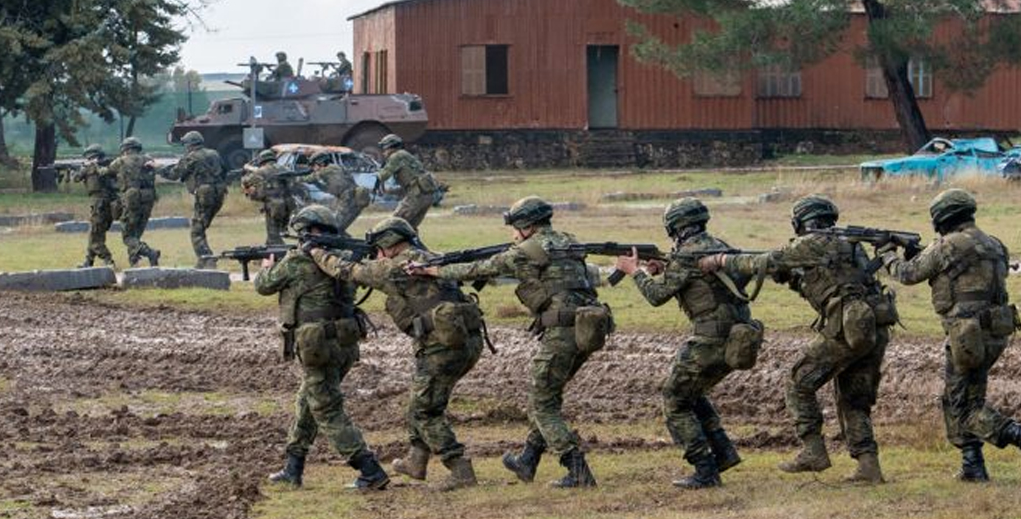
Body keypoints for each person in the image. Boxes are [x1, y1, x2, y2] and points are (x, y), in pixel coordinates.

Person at [409, 196, 610, 488]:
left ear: (527, 226)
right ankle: (528, 459)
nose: (513, 234)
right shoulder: (569, 242)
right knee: (547, 395)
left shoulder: (525, 252)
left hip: (561, 333)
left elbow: (478, 270)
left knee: (542, 405)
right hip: (587, 329)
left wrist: (433, 271)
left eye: (516, 227)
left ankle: (577, 470)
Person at [698, 195, 896, 484]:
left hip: (846, 327)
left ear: (800, 222)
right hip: (874, 328)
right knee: (854, 398)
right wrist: (792, 278)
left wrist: (719, 260)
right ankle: (868, 467)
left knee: (799, 382)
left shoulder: (811, 242)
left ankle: (813, 451)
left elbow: (762, 262)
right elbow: (827, 280)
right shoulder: (850, 245)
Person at [879, 188, 1021, 482]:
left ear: (942, 218)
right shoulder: (994, 244)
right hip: (996, 332)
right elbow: (967, 274)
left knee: (961, 408)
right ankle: (973, 466)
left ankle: (1019, 435)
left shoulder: (947, 245)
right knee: (968, 399)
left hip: (967, 336)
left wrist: (886, 254)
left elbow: (907, 274)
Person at [310, 216, 484, 491]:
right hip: (467, 341)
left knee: (424, 410)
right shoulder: (430, 257)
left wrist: (316, 252)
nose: (377, 254)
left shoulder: (393, 268)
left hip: (443, 347)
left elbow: (347, 271)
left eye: (379, 248)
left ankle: (459, 468)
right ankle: (416, 460)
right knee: (422, 401)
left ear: (389, 244)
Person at [613, 197, 751, 489]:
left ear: (675, 227)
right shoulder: (718, 245)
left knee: (674, 399)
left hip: (711, 339)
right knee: (692, 393)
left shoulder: (686, 254)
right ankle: (724, 452)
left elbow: (656, 297)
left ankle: (705, 470)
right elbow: (703, 281)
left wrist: (634, 271)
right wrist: (666, 269)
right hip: (735, 335)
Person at [255, 205, 389, 492]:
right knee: (307, 403)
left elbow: (264, 286)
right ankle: (293, 467)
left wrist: (265, 268)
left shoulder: (297, 261)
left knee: (327, 410)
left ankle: (369, 469)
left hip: (317, 346)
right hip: (344, 343)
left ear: (310, 231)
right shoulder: (343, 259)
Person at [160, 131, 226, 268]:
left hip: (205, 194)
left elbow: (174, 174)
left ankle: (207, 259)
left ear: (190, 144)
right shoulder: (214, 154)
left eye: (186, 144)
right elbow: (224, 171)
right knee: (201, 226)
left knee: (196, 230)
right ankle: (203, 262)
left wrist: (158, 168)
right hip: (219, 193)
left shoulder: (191, 157)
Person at [107, 137, 160, 267]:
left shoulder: (120, 161)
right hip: (148, 199)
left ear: (126, 149)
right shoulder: (147, 160)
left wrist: (94, 167)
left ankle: (150, 252)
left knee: (128, 236)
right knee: (136, 232)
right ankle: (134, 260)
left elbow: (107, 172)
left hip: (132, 200)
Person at [377, 133, 442, 228]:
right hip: (427, 195)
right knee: (409, 227)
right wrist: (389, 191)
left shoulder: (396, 156)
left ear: (389, 146)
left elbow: (383, 175)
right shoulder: (405, 155)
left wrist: (374, 176)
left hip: (417, 195)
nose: (383, 152)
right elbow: (409, 183)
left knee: (394, 224)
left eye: (384, 148)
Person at [73, 144, 118, 268]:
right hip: (109, 203)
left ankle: (108, 260)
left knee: (95, 236)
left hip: (99, 203)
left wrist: (83, 168)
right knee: (95, 233)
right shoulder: (109, 166)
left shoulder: (92, 168)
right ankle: (89, 261)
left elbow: (76, 178)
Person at [302, 152, 370, 232]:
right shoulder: (334, 170)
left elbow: (309, 178)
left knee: (335, 226)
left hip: (348, 198)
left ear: (321, 163)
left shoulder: (328, 169)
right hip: (352, 199)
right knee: (339, 227)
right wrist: (317, 183)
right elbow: (330, 189)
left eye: (314, 165)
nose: (313, 169)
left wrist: (298, 177)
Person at [241, 149, 297, 245]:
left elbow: (247, 182)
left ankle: (279, 252)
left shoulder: (261, 171)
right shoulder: (284, 169)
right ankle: (269, 250)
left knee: (274, 236)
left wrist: (247, 170)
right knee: (276, 233)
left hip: (274, 207)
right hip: (288, 205)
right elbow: (294, 183)